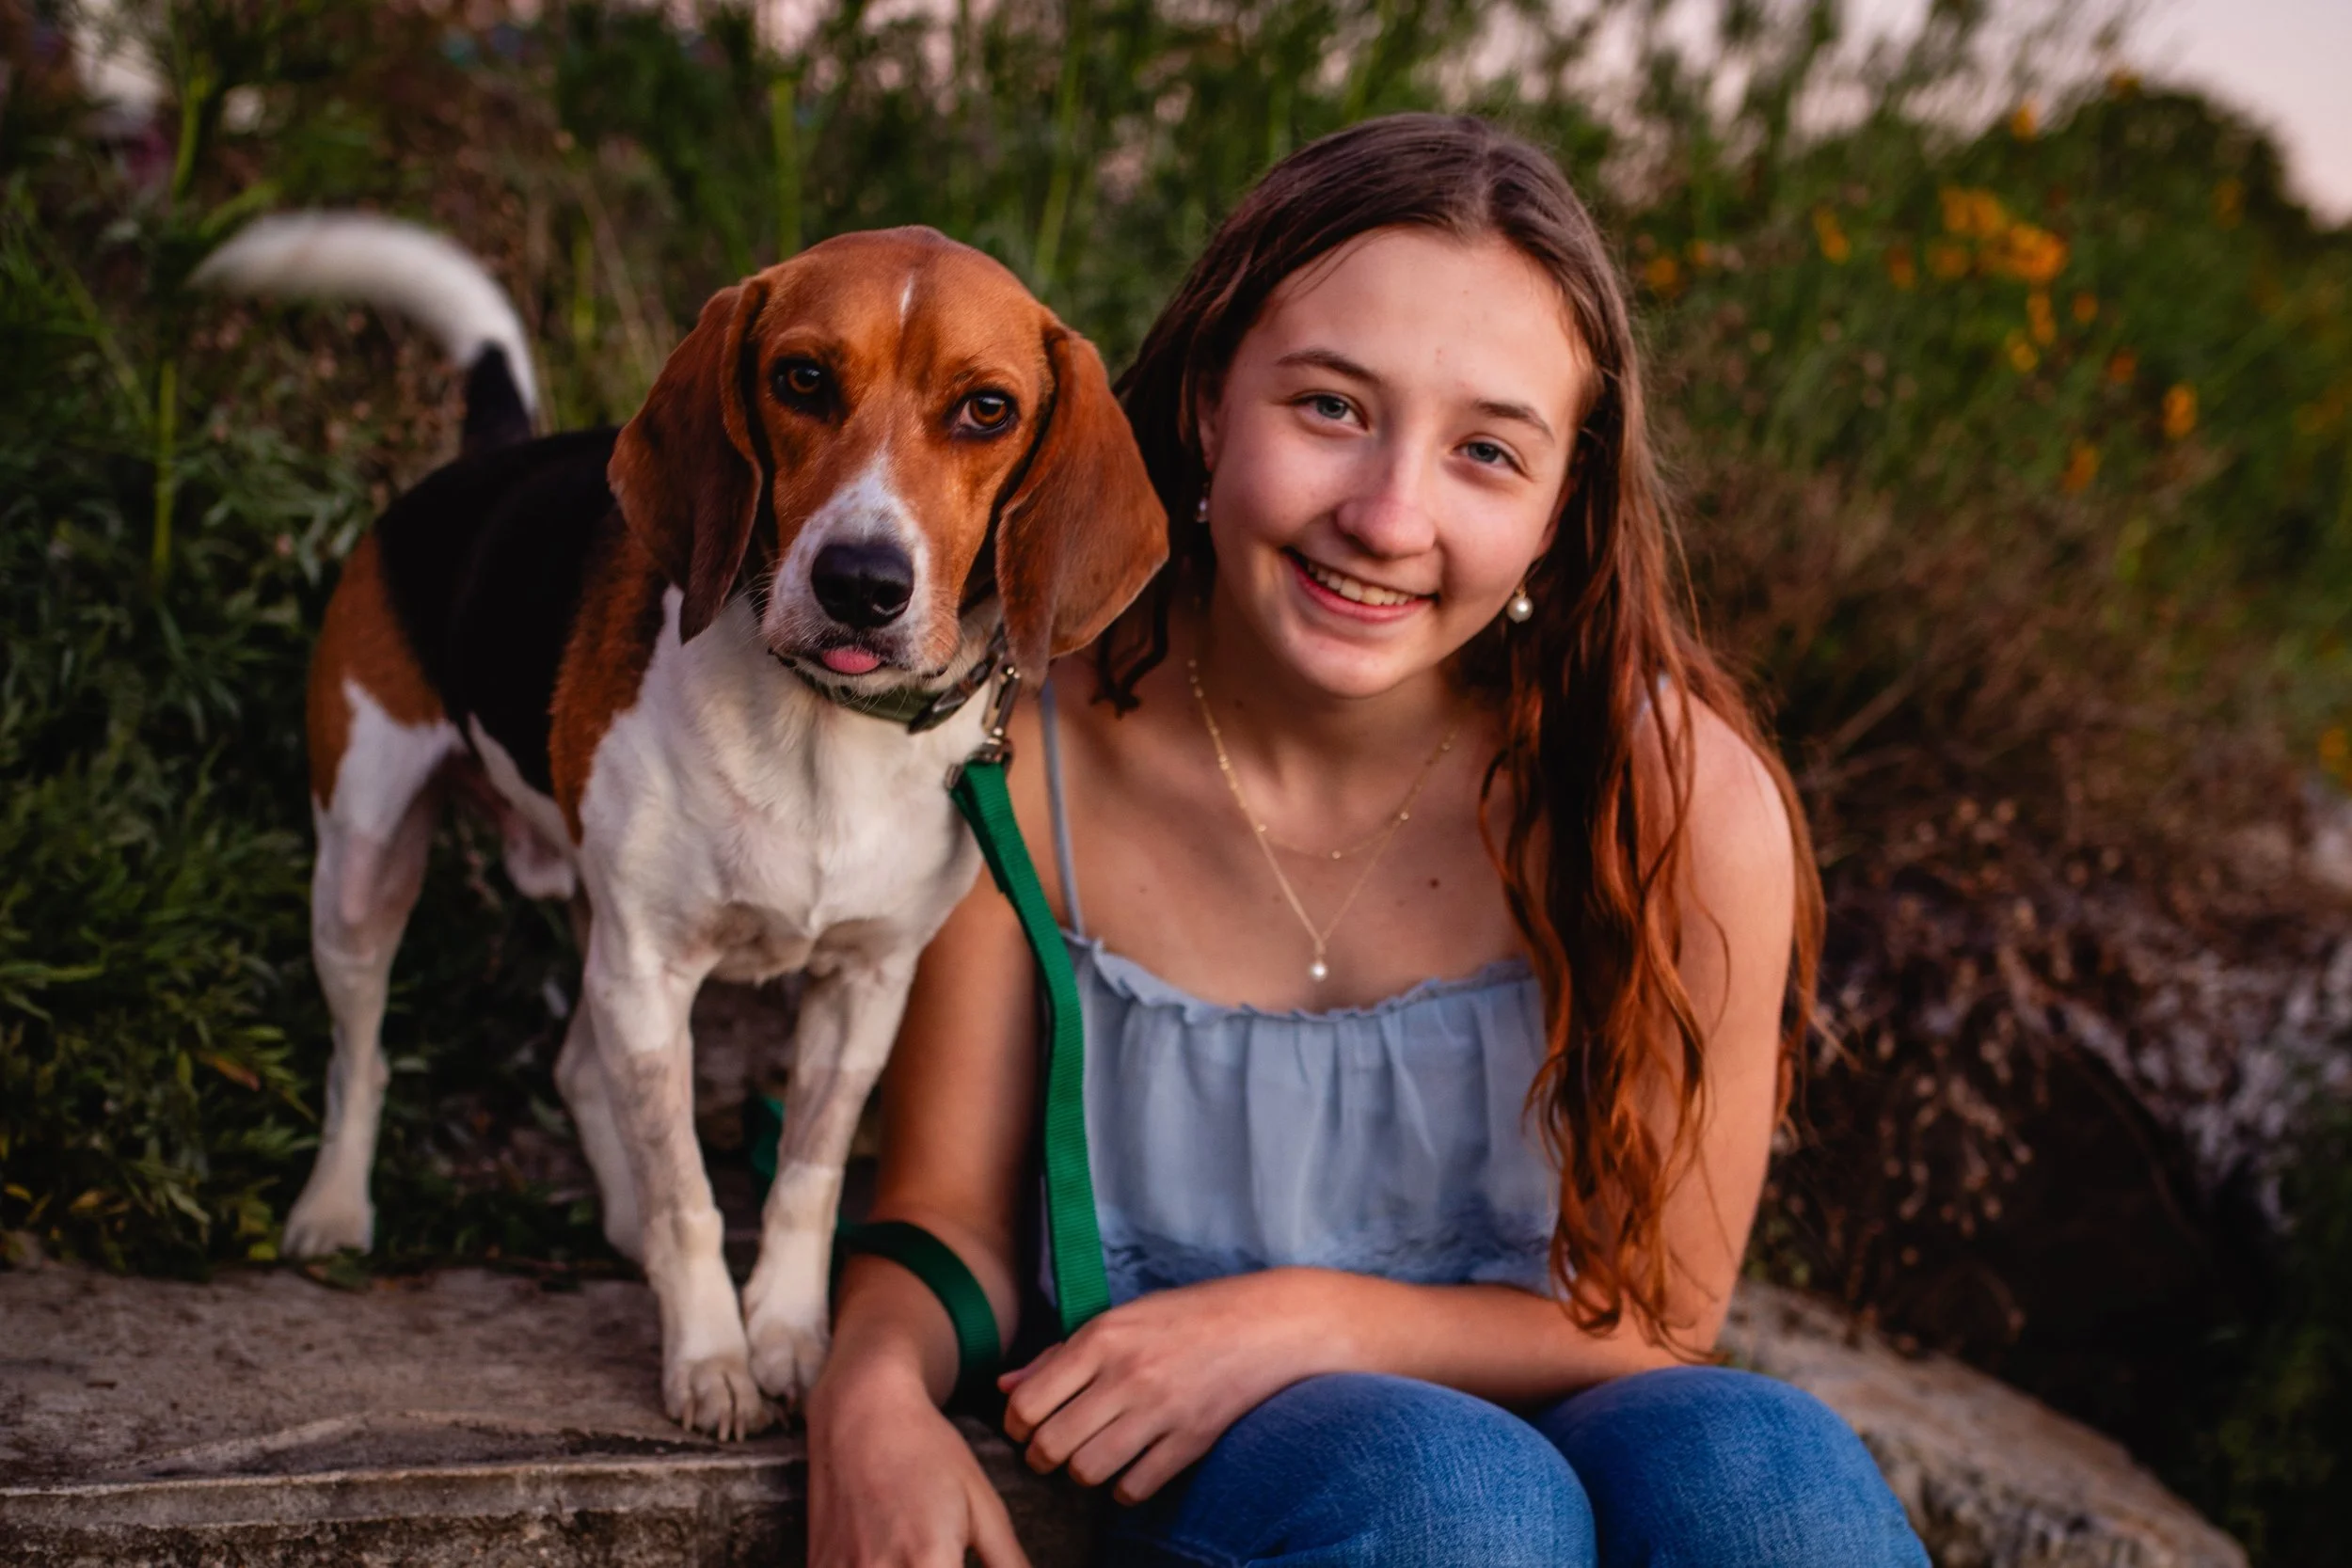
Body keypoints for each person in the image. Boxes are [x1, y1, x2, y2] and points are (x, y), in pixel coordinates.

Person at [806, 113, 1928, 1568]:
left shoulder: (1674, 797)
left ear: (1561, 503)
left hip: (1558, 1390)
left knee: (1765, 1466)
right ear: (1211, 403)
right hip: (1243, 1471)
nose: (1391, 516)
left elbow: (1657, 1317)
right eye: (1331, 407)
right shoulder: (1023, 749)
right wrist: (869, 1391)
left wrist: (1299, 1320)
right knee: (1451, 1501)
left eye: (1487, 451)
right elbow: (946, 1213)